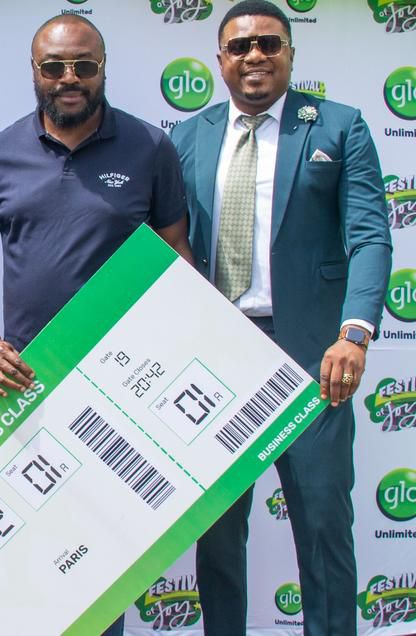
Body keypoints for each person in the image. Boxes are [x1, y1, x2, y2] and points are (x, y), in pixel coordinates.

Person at [0, 14, 193, 635]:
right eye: (54, 66)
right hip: (25, 386)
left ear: (104, 69)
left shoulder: (150, 148)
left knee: (99, 554)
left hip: (117, 390)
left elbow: (178, 263)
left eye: (84, 66)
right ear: (34, 71)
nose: (69, 78)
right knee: (26, 546)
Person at [169, 2, 392, 634]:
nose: (255, 56)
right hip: (215, 356)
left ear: (291, 52)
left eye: (269, 43)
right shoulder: (188, 136)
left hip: (315, 355)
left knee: (322, 525)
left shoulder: (339, 128)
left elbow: (371, 237)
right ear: (221, 60)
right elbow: (168, 244)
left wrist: (355, 332)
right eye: (240, 47)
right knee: (215, 535)